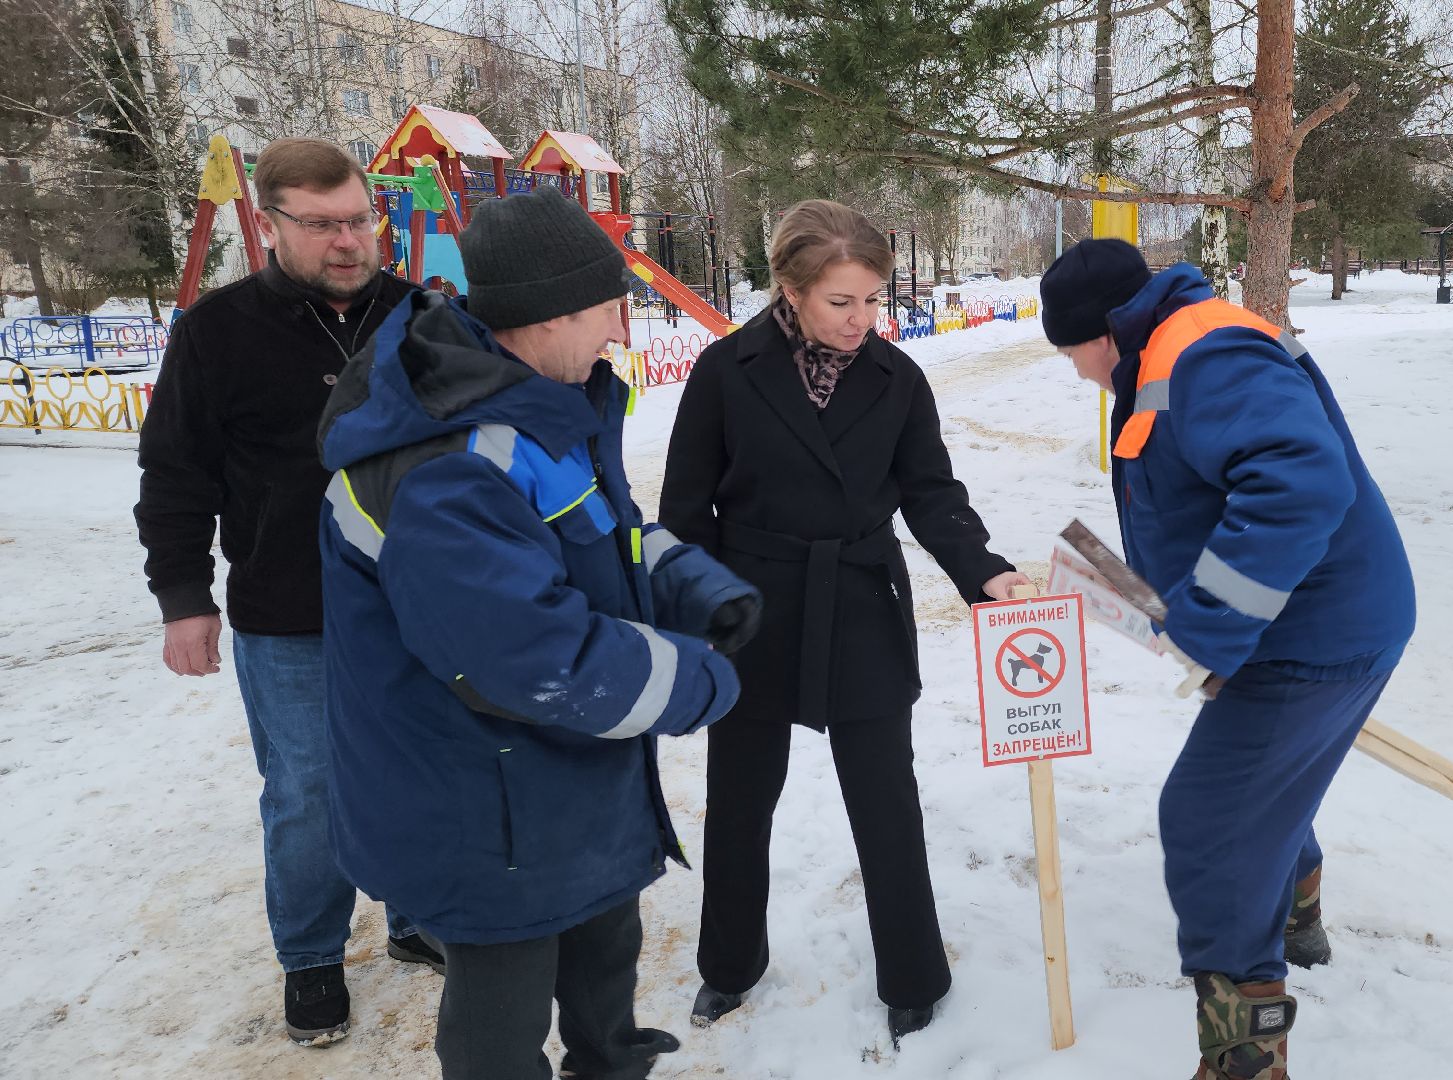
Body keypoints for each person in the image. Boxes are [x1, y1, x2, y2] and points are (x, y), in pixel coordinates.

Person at [315, 186, 759, 1079]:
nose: (623, 331)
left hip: (562, 785)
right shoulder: (445, 464)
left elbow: (611, 534)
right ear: (549, 313)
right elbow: (532, 658)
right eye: (609, 308)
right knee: (502, 1019)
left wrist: (698, 588)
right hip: (482, 807)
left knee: (606, 965)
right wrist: (700, 680)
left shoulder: (542, 405)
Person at [1039, 239, 1415, 1080]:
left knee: (1210, 822)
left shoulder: (1202, 353)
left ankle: (1246, 1054)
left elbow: (1298, 484)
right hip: (1312, 622)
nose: (1078, 373)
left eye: (1072, 353)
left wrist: (1210, 624)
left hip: (1311, 635)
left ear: (1102, 332)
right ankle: (1297, 915)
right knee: (1264, 783)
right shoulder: (1174, 347)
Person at [659, 199, 1029, 1046]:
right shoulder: (724, 371)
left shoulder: (899, 379)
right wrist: (701, 609)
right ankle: (729, 964)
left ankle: (913, 974)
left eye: (872, 299)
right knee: (740, 799)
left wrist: (983, 569)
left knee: (885, 796)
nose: (862, 319)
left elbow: (932, 493)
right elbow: (684, 510)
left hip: (861, 601)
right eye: (841, 301)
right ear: (790, 290)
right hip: (750, 608)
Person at [133, 137, 436, 1047]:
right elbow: (174, 471)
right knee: (308, 791)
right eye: (323, 225)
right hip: (287, 609)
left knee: (420, 764)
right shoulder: (217, 332)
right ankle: (310, 956)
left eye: (359, 220)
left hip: (416, 602)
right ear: (270, 226)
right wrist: (184, 597)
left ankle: (417, 914)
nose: (348, 241)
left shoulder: (421, 317)